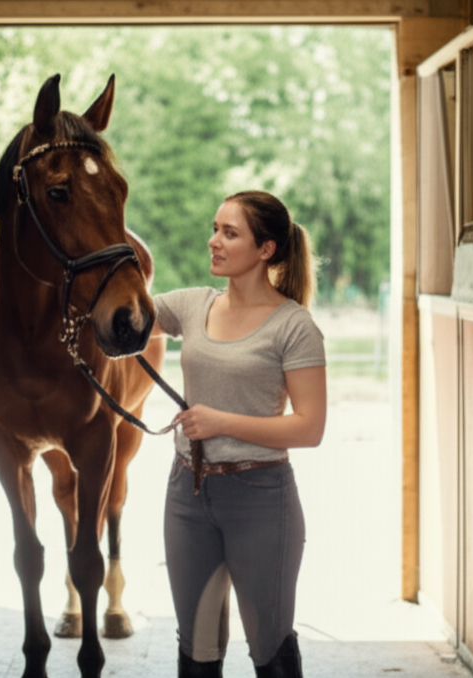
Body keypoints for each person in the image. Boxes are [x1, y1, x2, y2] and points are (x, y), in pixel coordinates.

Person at [152, 190, 327, 678]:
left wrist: (220, 422)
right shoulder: (192, 305)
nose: (214, 241)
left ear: (266, 249)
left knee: (270, 650)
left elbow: (309, 428)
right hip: (187, 494)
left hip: (261, 499)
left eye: (229, 233)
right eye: (215, 229)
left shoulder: (294, 326)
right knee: (196, 650)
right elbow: (125, 316)